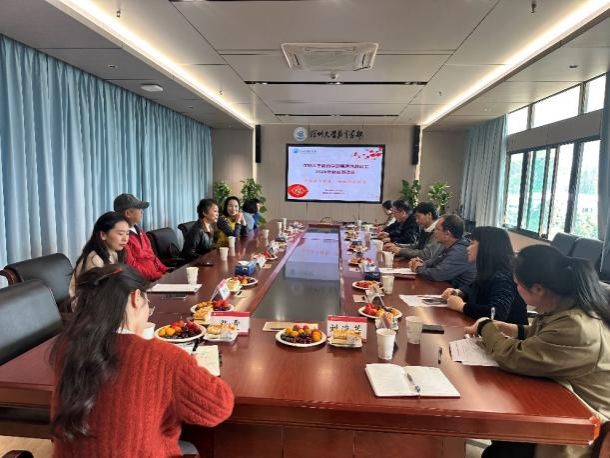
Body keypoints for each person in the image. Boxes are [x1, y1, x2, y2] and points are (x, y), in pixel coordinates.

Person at [51, 265, 234, 456]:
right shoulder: (165, 358)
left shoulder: (66, 348)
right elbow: (219, 407)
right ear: (136, 298)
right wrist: (197, 368)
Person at [466, 245, 610, 458]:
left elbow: (513, 356)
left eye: (518, 284)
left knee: (504, 443)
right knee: (506, 426)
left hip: (583, 425)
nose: (516, 289)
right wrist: (512, 329)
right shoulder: (566, 304)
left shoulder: (576, 326)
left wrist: (484, 326)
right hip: (562, 400)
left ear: (538, 289)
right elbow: (547, 337)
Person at [441, 226, 528, 324]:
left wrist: (462, 306)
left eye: (472, 243)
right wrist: (459, 292)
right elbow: (473, 287)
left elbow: (497, 313)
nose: (467, 248)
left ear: (485, 248)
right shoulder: (490, 270)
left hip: (505, 332)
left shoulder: (504, 276)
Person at [69, 212, 129, 298]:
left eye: (127, 233)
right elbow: (95, 296)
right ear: (103, 235)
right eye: (120, 233)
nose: (125, 239)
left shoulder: (114, 252)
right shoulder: (95, 259)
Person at [408, 214, 476, 288]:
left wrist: (418, 268)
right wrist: (420, 263)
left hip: (460, 293)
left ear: (447, 234)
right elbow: (435, 261)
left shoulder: (460, 251)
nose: (434, 231)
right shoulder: (449, 244)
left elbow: (438, 274)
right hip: (446, 287)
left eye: (437, 229)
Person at [113, 193, 168, 281]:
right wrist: (159, 276)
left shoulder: (141, 232)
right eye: (139, 209)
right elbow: (132, 267)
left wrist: (165, 270)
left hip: (157, 277)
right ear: (128, 213)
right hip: (143, 282)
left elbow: (152, 256)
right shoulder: (121, 238)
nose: (142, 212)